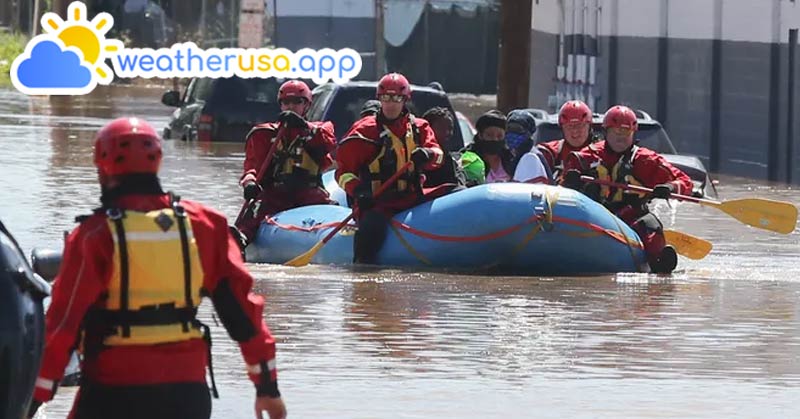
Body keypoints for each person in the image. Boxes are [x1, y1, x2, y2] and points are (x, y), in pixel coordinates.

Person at [28, 117, 286, 419]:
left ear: (102, 165)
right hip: (186, 393)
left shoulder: (94, 235)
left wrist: (31, 402)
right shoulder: (204, 224)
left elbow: (62, 327)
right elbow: (241, 312)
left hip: (113, 391)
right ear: (158, 160)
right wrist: (267, 388)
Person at [562, 105, 693, 274]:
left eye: (625, 133)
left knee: (650, 225)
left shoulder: (645, 159)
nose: (620, 138)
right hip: (593, 215)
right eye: (616, 133)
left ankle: (659, 262)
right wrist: (570, 183)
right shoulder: (584, 157)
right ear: (606, 132)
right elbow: (562, 189)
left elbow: (684, 182)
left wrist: (670, 187)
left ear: (633, 133)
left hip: (631, 216)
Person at [335, 73, 444, 264]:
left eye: (397, 98)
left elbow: (439, 156)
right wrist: (358, 191)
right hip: (379, 200)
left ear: (405, 100)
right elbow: (343, 172)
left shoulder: (419, 127)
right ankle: (362, 271)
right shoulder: (364, 131)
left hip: (413, 196)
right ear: (380, 99)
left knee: (454, 191)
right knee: (370, 229)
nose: (391, 104)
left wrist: (428, 154)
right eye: (386, 98)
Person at [236, 80, 336, 246]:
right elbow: (252, 167)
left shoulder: (321, 129)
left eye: (297, 102)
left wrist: (303, 127)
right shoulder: (264, 134)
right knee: (250, 219)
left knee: (334, 208)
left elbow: (327, 144)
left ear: (307, 106)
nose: (291, 106)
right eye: (286, 102)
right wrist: (250, 183)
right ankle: (241, 241)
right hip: (275, 194)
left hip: (309, 193)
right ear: (280, 105)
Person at [538, 100, 597, 180]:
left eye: (580, 125)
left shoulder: (600, 152)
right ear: (562, 128)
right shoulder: (550, 153)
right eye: (569, 126)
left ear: (589, 127)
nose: (575, 131)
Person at [461, 110, 516, 183]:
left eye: (499, 136)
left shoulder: (510, 159)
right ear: (480, 135)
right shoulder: (468, 159)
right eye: (489, 135)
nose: (495, 139)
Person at [420, 107, 467, 190]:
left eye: (450, 128)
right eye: (441, 128)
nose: (447, 133)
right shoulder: (418, 156)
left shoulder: (452, 161)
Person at [507, 109, 552, 184]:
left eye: (518, 130)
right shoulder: (513, 155)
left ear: (529, 134)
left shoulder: (530, 158)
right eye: (509, 129)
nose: (512, 134)